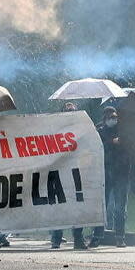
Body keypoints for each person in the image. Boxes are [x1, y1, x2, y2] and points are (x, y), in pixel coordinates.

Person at [51, 102, 102, 250]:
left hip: (77, 172)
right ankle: (56, 238)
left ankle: (78, 239)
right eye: (67, 110)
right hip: (60, 171)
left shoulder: (82, 128)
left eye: (72, 110)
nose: (70, 112)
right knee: (59, 205)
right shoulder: (56, 128)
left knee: (77, 205)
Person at [98, 107, 129, 247]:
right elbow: (98, 147)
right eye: (110, 117)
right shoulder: (100, 131)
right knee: (102, 205)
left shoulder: (123, 131)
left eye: (114, 116)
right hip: (105, 172)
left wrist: (122, 141)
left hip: (121, 173)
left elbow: (131, 148)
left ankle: (120, 236)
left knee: (120, 207)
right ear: (105, 118)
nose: (113, 119)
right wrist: (112, 142)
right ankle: (98, 234)